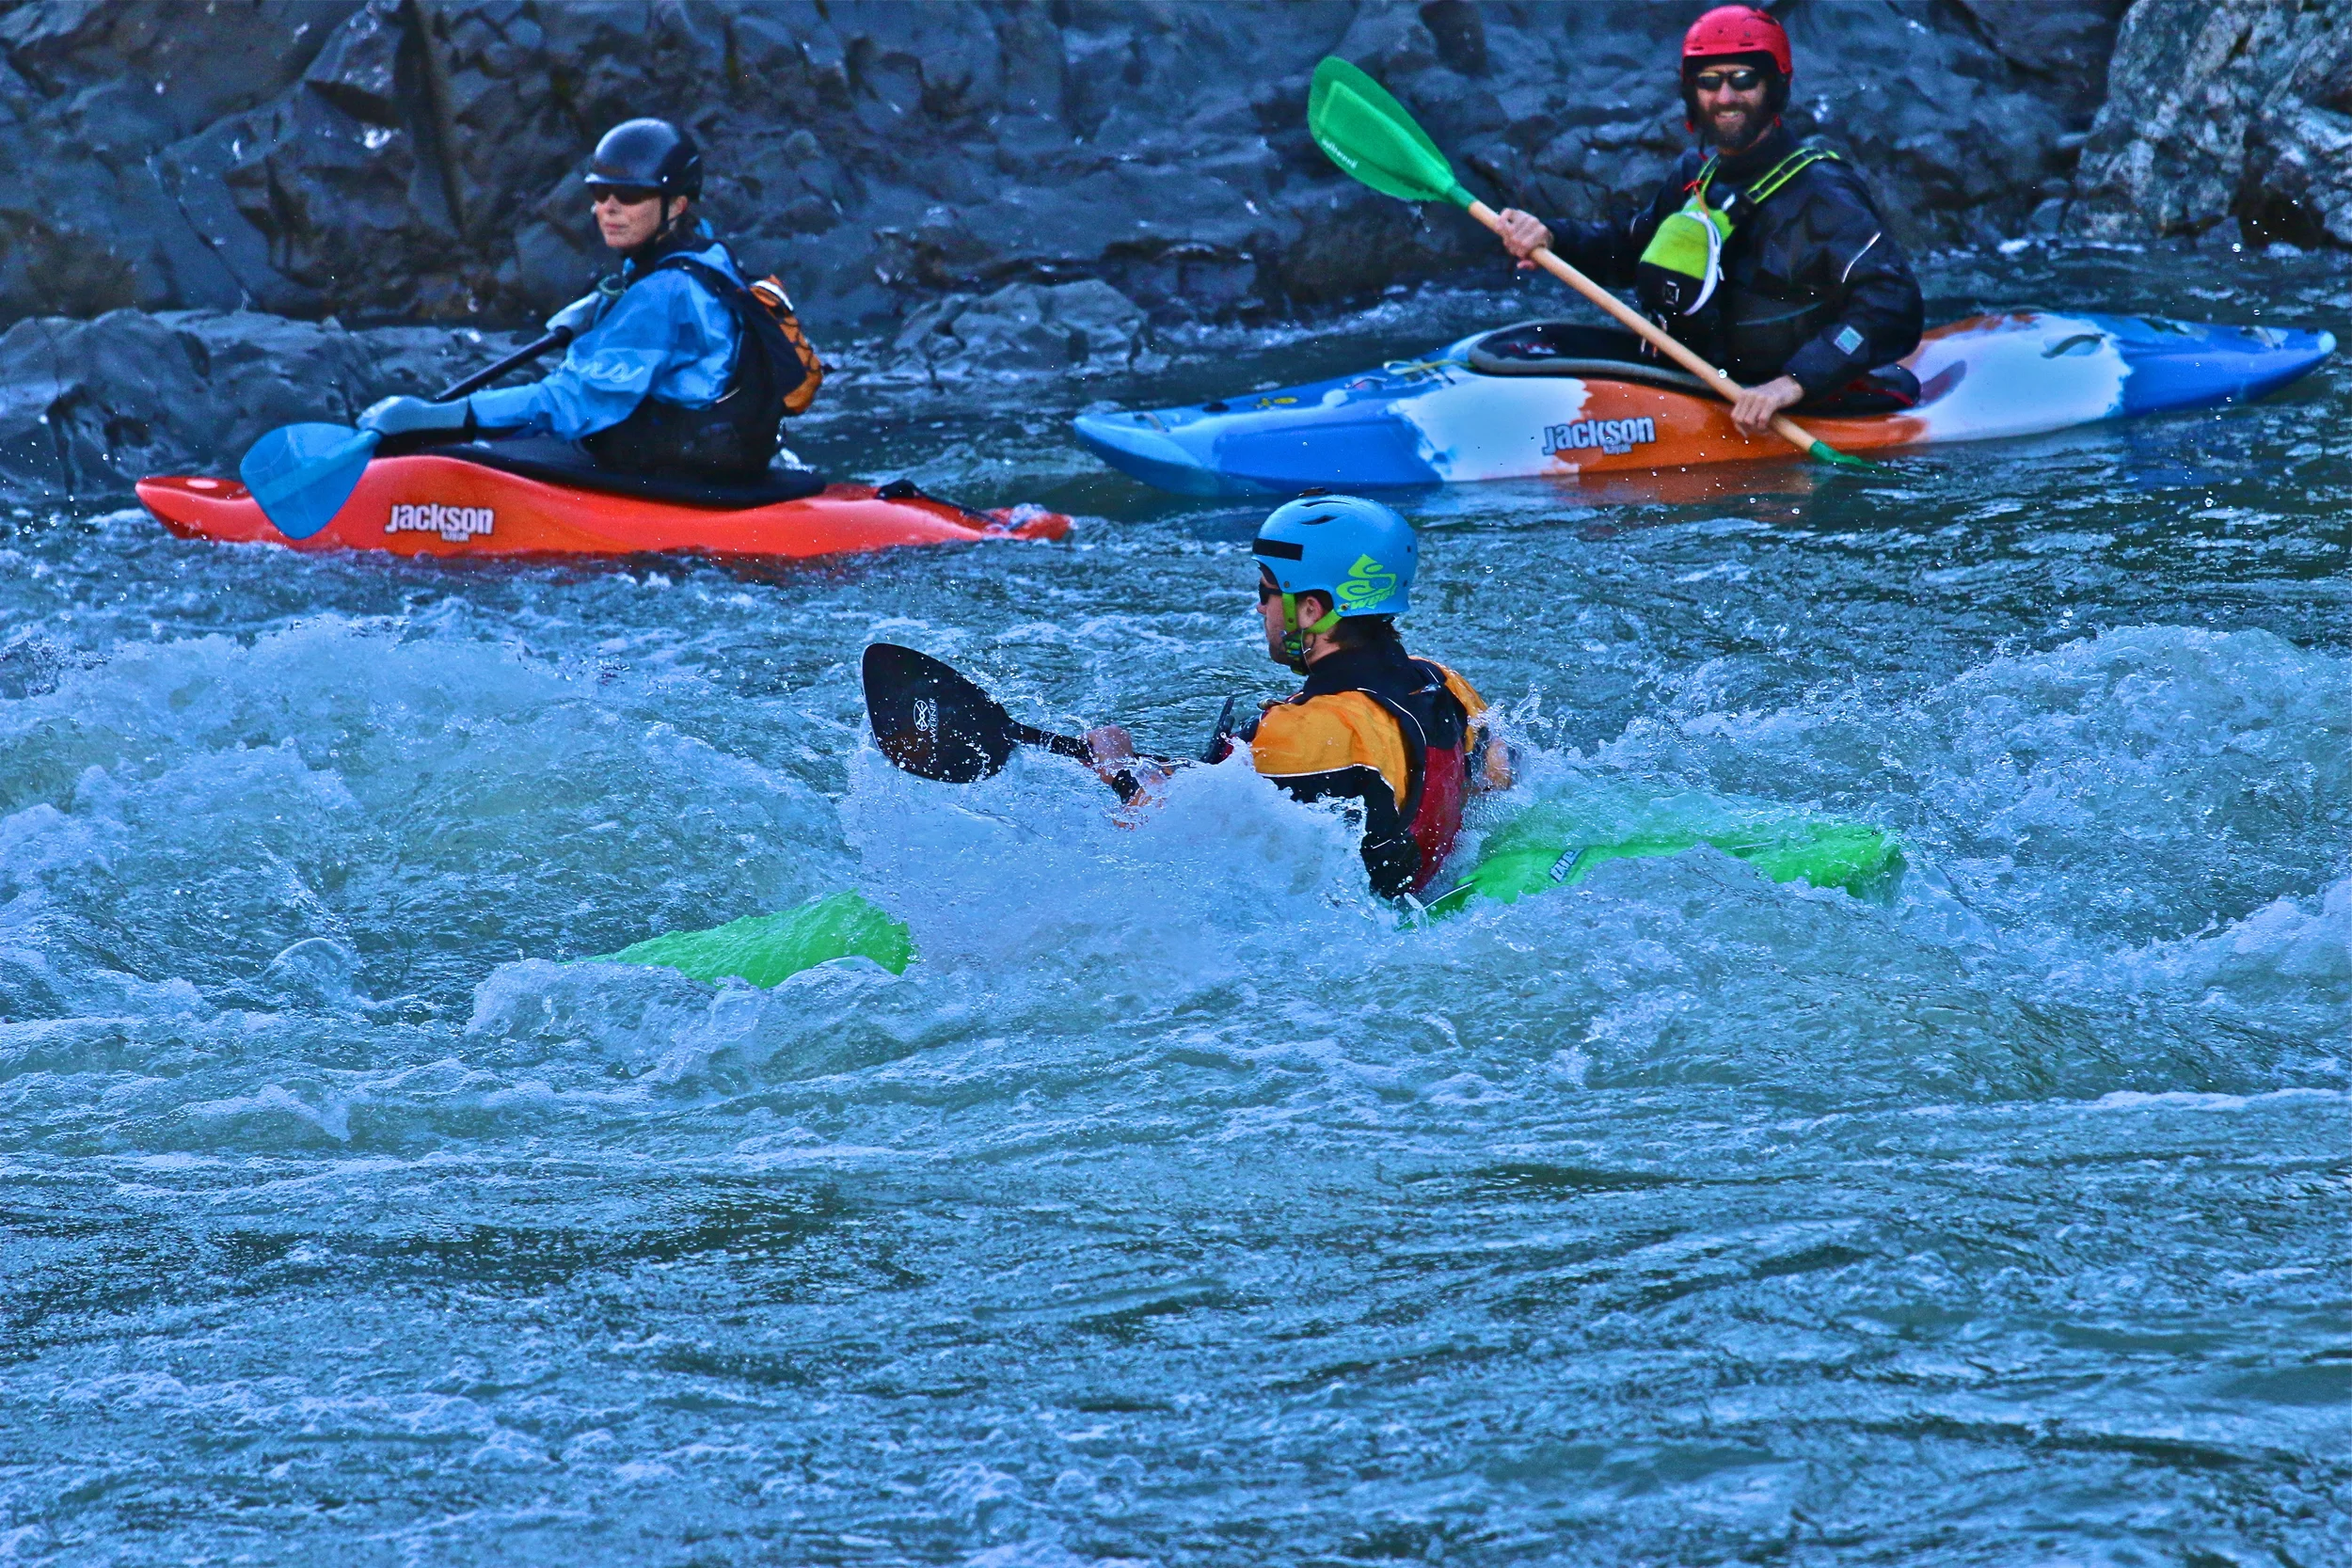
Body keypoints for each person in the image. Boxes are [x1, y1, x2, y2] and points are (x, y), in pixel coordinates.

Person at [1492, 5, 1925, 436]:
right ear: (1692, 92)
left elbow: (1891, 305)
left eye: (1744, 79)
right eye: (1709, 81)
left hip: (1788, 401)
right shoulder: (1696, 175)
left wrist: (1794, 382)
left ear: (1775, 86)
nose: (1725, 97)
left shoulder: (1822, 191)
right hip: (1696, 383)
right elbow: (1629, 251)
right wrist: (1552, 237)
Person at [1086, 495, 1511, 899]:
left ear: (1310, 610)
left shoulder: (1307, 729)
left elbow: (1166, 838)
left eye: (1266, 592)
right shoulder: (1443, 681)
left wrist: (1117, 769)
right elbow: (1498, 776)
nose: (1260, 609)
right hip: (1429, 885)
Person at [356, 118, 811, 481]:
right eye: (599, 192)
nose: (607, 208)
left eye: (629, 194)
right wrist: (603, 304)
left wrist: (447, 416)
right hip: (720, 447)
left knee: (502, 437)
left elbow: (571, 402)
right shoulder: (705, 253)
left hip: (683, 463)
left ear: (676, 205)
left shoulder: (661, 294)